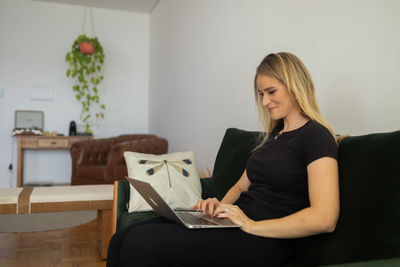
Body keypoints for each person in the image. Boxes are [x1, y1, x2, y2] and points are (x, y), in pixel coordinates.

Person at [107, 52, 339, 267]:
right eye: (261, 94)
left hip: (265, 237)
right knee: (121, 238)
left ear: (295, 86)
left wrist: (252, 225)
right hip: (235, 222)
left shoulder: (315, 136)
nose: (265, 102)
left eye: (271, 91)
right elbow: (240, 186)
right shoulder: (273, 137)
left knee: (140, 243)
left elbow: (325, 217)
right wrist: (219, 206)